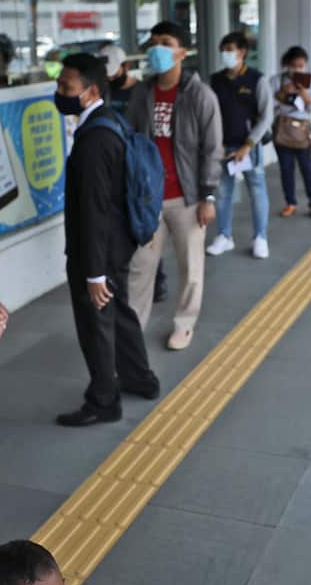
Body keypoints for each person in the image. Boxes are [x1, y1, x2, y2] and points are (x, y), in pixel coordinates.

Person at [53, 53, 160, 428]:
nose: (59, 92)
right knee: (120, 313)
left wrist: (93, 272)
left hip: (97, 250)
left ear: (91, 91)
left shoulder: (94, 139)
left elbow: (94, 209)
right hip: (118, 241)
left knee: (95, 322)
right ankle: (140, 379)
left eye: (66, 87)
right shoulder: (108, 119)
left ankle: (103, 401)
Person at [126, 21, 223, 352]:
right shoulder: (142, 93)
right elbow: (132, 142)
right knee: (140, 267)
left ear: (182, 51)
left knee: (190, 266)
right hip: (148, 199)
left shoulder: (199, 95)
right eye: (153, 42)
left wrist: (208, 195)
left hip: (187, 198)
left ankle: (184, 324)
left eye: (165, 42)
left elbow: (212, 148)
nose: (157, 49)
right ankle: (133, 327)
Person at [101, 44, 168, 302]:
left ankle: (157, 278)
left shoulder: (141, 93)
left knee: (144, 220)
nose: (108, 77)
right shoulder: (105, 90)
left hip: (137, 164)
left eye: (112, 71)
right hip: (112, 164)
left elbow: (147, 131)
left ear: (126, 67)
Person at [207, 31, 273, 259]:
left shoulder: (257, 79)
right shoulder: (216, 80)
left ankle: (260, 237)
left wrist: (248, 144)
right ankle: (224, 236)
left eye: (230, 50)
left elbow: (266, 116)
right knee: (223, 192)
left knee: (257, 189)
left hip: (248, 146)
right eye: (223, 50)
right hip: (222, 147)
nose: (225, 54)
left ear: (242, 52)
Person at [271, 44, 311, 215]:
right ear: (287, 64)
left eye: (301, 65)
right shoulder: (276, 81)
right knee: (286, 169)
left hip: (303, 130)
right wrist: (282, 93)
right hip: (283, 128)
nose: (298, 69)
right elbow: (268, 106)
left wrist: (306, 97)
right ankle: (290, 202)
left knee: (308, 168)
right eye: (294, 65)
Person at [98, 44, 136, 119]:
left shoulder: (143, 91)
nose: (110, 79)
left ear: (126, 66)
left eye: (114, 74)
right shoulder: (103, 91)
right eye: (106, 76)